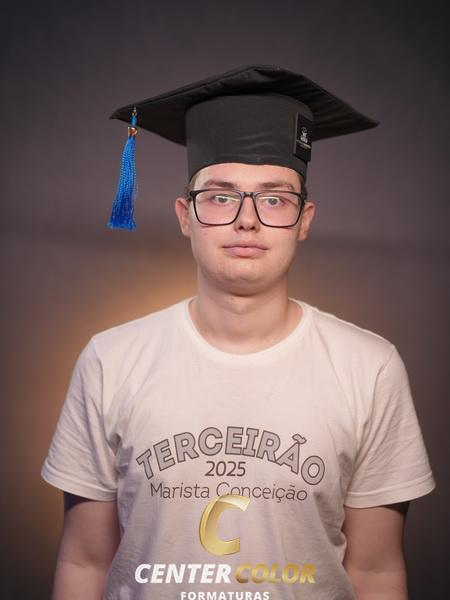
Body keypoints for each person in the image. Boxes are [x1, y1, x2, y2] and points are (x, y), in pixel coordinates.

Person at [41, 65, 436, 600]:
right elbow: (85, 561)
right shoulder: (111, 360)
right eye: (221, 196)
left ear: (304, 220)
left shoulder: (369, 368)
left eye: (274, 199)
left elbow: (376, 572)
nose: (247, 220)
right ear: (185, 215)